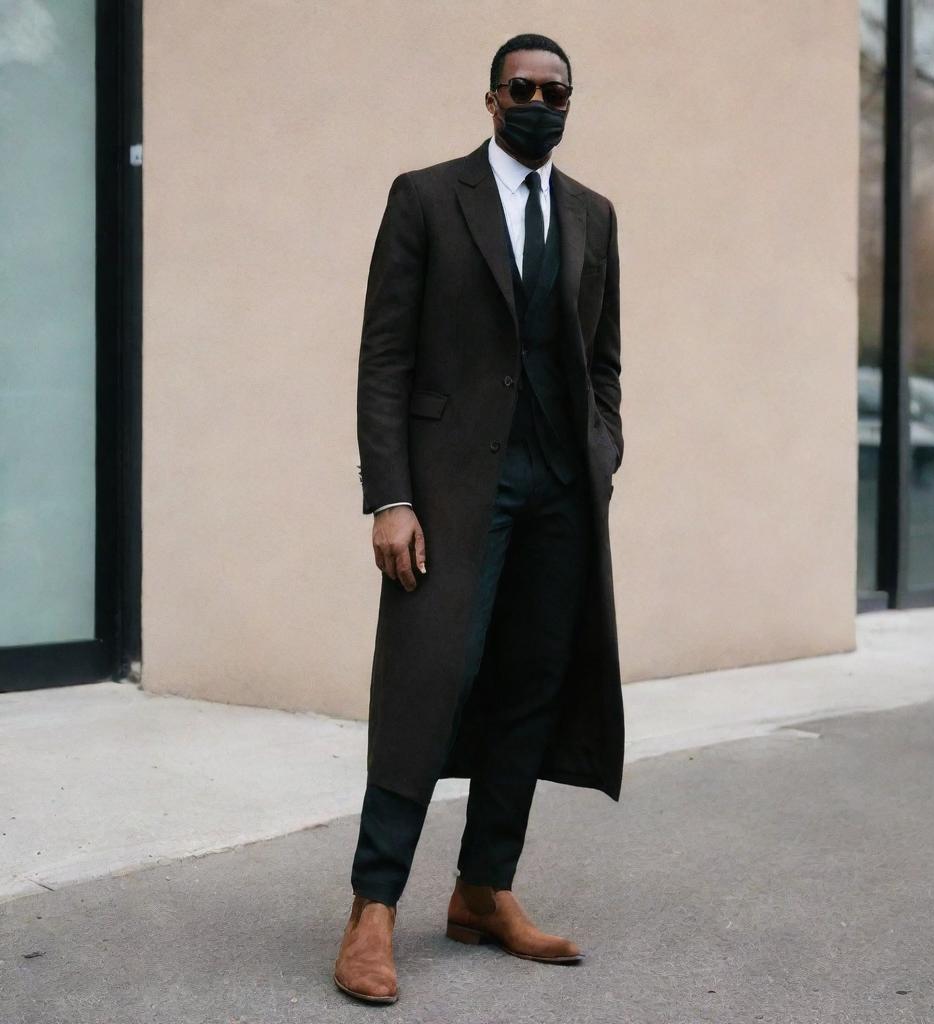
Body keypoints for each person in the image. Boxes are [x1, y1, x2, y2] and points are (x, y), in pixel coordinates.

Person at [333, 32, 625, 1005]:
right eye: (522, 88)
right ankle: (373, 908)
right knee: (428, 683)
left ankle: (482, 889)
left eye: (556, 90)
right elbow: (384, 359)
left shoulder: (592, 213)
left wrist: (602, 449)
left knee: (529, 687)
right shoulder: (425, 198)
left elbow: (604, 361)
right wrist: (391, 495)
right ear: (491, 100)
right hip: (456, 492)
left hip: (558, 494)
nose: (540, 102)